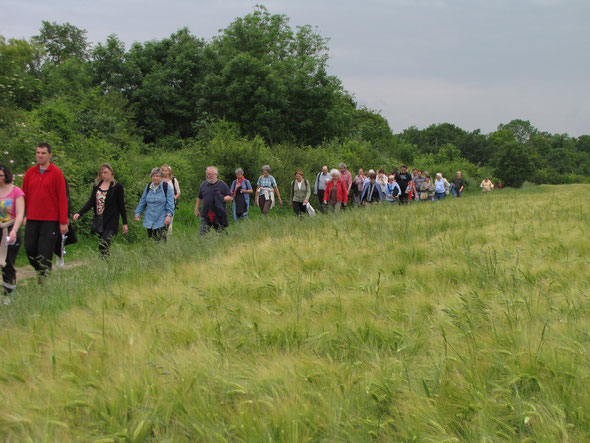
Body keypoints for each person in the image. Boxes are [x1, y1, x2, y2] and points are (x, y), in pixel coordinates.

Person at [22, 143, 68, 278]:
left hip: (50, 220)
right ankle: (42, 271)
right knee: (30, 249)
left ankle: (44, 279)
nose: (40, 156)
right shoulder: (30, 172)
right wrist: (23, 214)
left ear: (49, 155)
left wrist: (63, 221)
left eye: (43, 153)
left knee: (44, 252)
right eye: (38, 153)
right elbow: (24, 195)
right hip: (32, 218)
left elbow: (62, 199)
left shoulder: (56, 173)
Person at [73, 163, 128, 255]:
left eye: (105, 172)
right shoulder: (97, 186)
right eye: (101, 173)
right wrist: (80, 213)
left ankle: (105, 262)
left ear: (111, 172)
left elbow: (121, 205)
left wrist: (125, 223)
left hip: (111, 219)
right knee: (102, 243)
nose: (103, 175)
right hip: (99, 219)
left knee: (104, 241)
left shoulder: (117, 187)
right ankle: (105, 263)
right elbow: (91, 201)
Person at [0, 164, 25, 302]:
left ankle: (9, 292)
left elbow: (20, 214)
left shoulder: (16, 192)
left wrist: (14, 230)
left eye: (1, 176)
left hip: (10, 228)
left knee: (7, 262)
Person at [134, 167, 175, 242]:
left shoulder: (166, 187)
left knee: (161, 241)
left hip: (162, 219)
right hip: (150, 219)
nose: (155, 178)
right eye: (153, 176)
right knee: (152, 240)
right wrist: (138, 213)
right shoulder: (148, 187)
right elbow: (143, 201)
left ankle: (163, 253)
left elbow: (170, 203)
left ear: (161, 177)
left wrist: (168, 215)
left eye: (157, 176)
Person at [195, 166, 233, 234]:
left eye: (210, 174)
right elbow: (199, 197)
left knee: (222, 233)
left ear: (216, 175)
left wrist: (221, 198)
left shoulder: (222, 185)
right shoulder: (203, 184)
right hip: (205, 213)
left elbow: (230, 197)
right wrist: (196, 209)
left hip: (218, 214)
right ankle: (204, 244)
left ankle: (225, 243)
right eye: (207, 174)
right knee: (203, 234)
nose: (208, 176)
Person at [161, 164, 180, 236]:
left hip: (171, 203)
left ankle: (168, 236)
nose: (164, 172)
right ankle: (160, 235)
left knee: (169, 219)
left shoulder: (173, 180)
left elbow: (178, 192)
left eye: (166, 171)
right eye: (163, 170)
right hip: (161, 203)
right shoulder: (160, 180)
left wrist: (174, 198)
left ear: (169, 172)